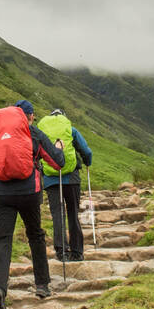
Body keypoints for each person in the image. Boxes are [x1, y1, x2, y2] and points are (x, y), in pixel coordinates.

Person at [0, 99, 65, 309]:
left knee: (3, 240)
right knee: (35, 235)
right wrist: (59, 147)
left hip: (2, 194)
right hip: (29, 193)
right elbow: (57, 162)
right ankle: (42, 285)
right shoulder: (34, 134)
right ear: (29, 116)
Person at [36, 108, 94, 261]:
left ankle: (61, 252)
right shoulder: (71, 130)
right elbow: (86, 151)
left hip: (50, 178)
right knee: (73, 213)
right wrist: (87, 162)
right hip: (71, 178)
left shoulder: (42, 131)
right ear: (63, 118)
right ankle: (77, 252)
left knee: (57, 215)